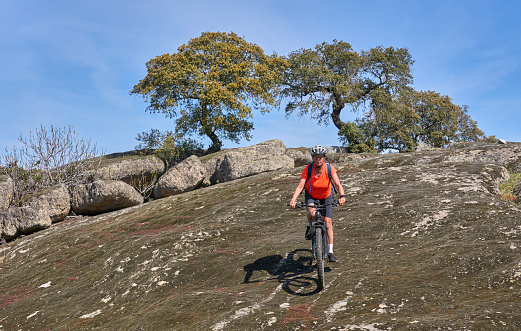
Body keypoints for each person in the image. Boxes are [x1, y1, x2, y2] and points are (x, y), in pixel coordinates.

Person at [289, 145, 346, 262]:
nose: (318, 160)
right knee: (312, 213)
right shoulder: (308, 169)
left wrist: (342, 196)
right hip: (311, 195)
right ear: (312, 158)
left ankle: (330, 252)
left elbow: (338, 184)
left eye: (320, 157)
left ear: (324, 157)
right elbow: (300, 186)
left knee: (328, 222)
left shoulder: (329, 168)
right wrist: (293, 200)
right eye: (315, 157)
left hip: (326, 196)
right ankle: (309, 226)